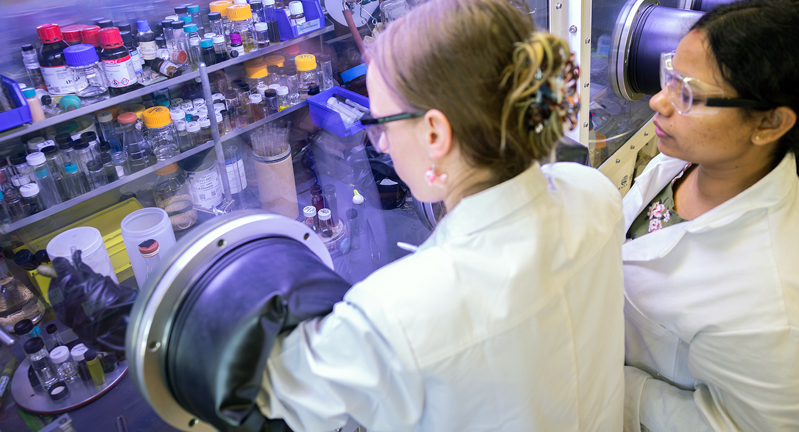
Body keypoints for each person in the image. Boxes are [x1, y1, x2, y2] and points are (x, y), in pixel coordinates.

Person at [257, 0, 626, 430]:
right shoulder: (595, 194)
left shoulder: (396, 314)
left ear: (434, 133)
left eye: (381, 124)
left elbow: (274, 391)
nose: (381, 145)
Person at [622, 0, 799, 431]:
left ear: (769, 123)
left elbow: (729, 425)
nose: (658, 102)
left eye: (688, 94)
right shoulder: (688, 160)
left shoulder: (773, 305)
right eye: (669, 76)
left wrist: (611, 383)